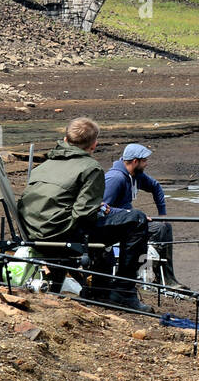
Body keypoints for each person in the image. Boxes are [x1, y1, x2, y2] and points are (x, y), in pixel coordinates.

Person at [17, 117, 152, 312]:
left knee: (108, 224)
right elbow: (84, 215)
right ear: (94, 144)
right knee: (137, 220)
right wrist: (105, 211)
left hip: (33, 232)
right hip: (60, 234)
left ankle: (99, 291)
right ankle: (124, 292)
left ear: (65, 140)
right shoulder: (91, 168)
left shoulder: (45, 165)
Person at [104, 143, 183, 288]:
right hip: (116, 226)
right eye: (144, 160)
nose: (147, 164)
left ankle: (166, 277)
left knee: (164, 226)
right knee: (159, 229)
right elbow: (103, 209)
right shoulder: (115, 179)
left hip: (130, 221)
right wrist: (133, 215)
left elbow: (156, 187)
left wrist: (162, 214)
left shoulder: (136, 175)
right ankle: (142, 274)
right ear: (135, 161)